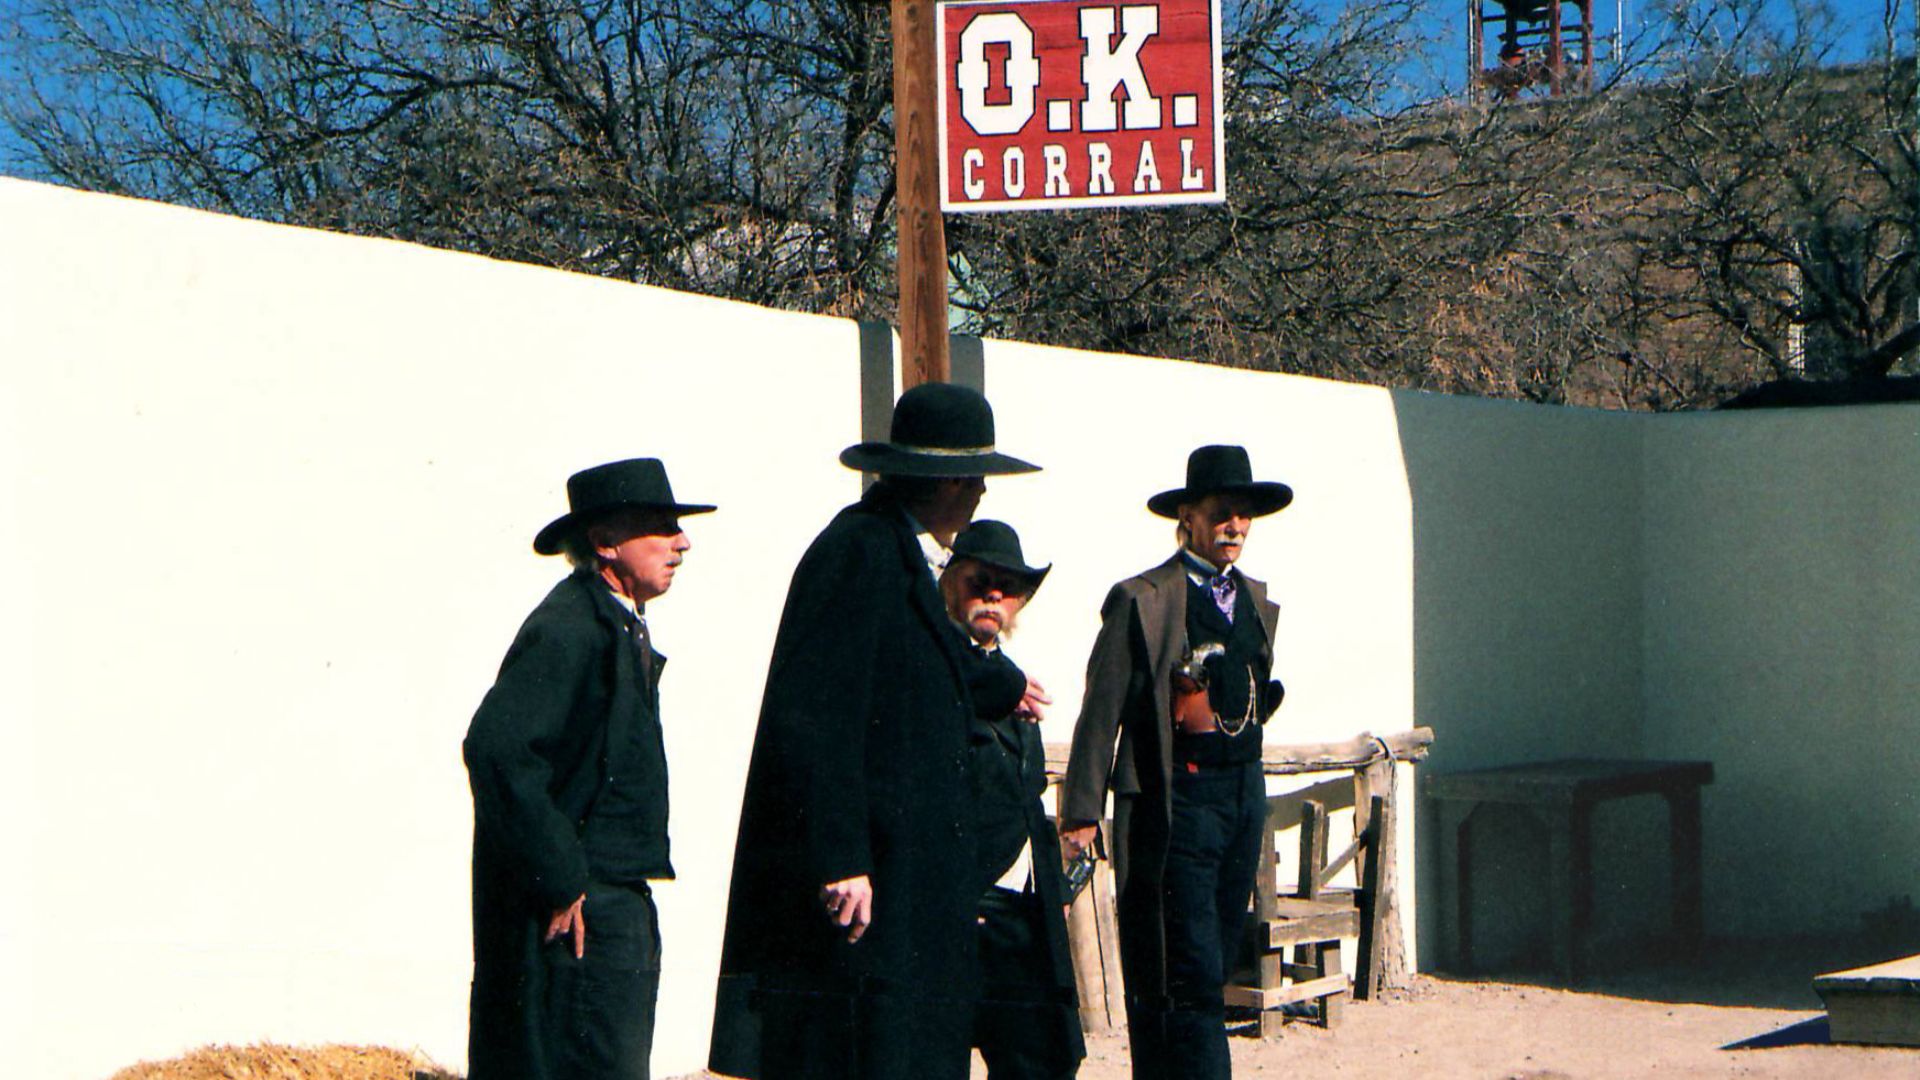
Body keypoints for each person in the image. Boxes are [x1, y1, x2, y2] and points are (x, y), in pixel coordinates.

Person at [710, 383, 1040, 1080]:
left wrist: (1002, 684)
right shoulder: (860, 552)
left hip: (912, 880)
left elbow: (918, 668)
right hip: (875, 878)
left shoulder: (906, 556)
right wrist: (841, 858)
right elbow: (816, 717)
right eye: (975, 477)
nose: (982, 493)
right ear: (945, 480)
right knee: (868, 1051)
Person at [463, 457, 715, 1080]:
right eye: (660, 527)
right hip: (582, 914)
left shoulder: (612, 622)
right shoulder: (571, 627)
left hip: (611, 902)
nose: (682, 542)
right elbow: (497, 746)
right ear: (605, 542)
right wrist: (560, 873)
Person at [1058, 445, 1291, 1080]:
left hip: (1241, 799)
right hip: (1178, 803)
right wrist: (1081, 813)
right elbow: (1100, 710)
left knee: (1214, 958)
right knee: (1186, 968)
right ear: (1187, 517)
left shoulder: (1254, 600)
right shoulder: (1145, 599)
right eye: (1221, 513)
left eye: (1243, 514)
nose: (1234, 526)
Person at [941, 520, 1086, 1080]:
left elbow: (1028, 795)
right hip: (966, 903)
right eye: (979, 582)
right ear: (951, 585)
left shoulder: (1015, 681)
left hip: (1023, 910)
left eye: (1006, 587)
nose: (992, 595)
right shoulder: (937, 671)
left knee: (1042, 1061)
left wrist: (1053, 884)